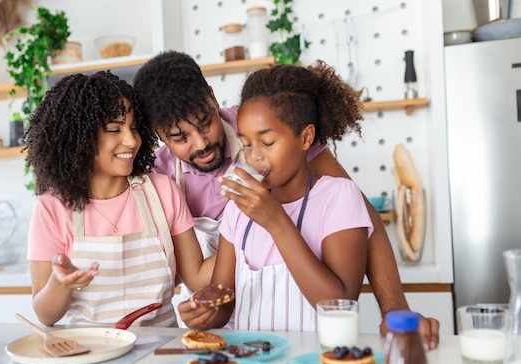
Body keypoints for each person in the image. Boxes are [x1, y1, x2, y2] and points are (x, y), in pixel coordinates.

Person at [133, 51, 440, 347]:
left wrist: (395, 309)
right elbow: (210, 284)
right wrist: (206, 307)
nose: (201, 144)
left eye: (204, 124)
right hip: (238, 333)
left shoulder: (266, 120)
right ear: (160, 134)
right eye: (180, 137)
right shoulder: (159, 177)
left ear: (213, 98)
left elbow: (362, 218)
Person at [176, 62, 373, 331]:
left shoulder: (338, 197)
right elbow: (224, 302)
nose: (254, 156)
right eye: (246, 144)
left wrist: (276, 221)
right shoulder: (238, 208)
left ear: (306, 138)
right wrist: (203, 312)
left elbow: (339, 302)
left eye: (267, 143)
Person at [25, 70, 214, 327]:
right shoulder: (52, 207)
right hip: (90, 355)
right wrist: (60, 284)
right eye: (115, 129)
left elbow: (197, 279)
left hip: (159, 353)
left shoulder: (162, 191)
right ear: (79, 137)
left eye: (134, 127)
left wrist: (241, 226)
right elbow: (45, 315)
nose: (131, 140)